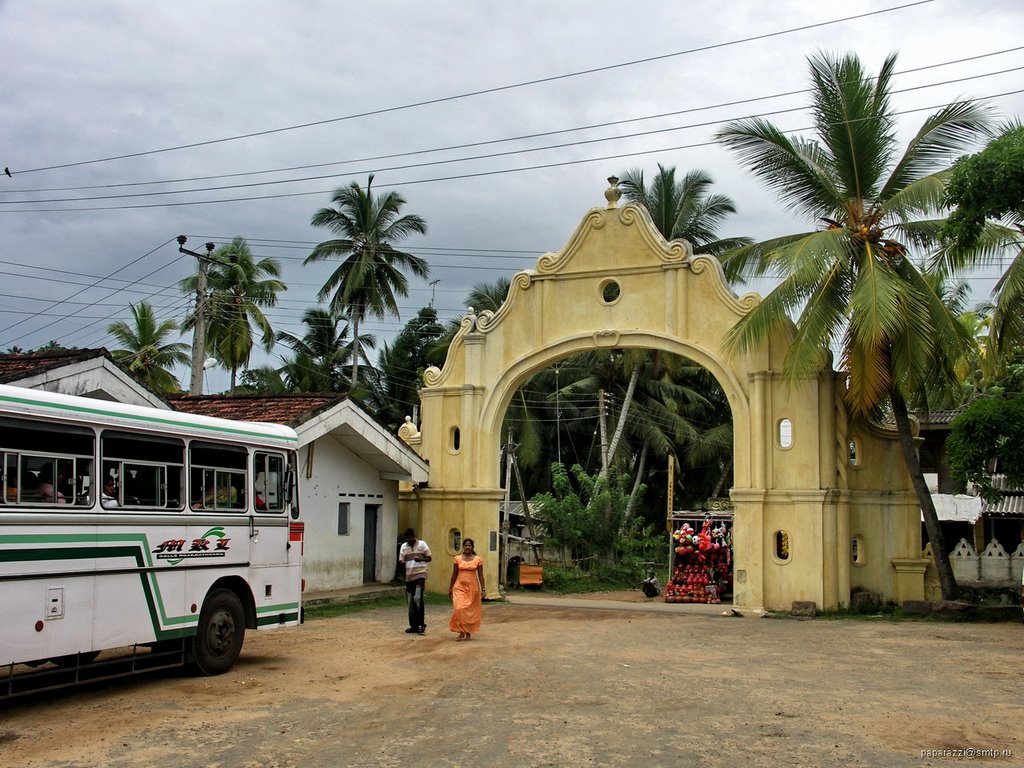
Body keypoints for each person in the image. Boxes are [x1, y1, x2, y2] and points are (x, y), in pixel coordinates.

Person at [448, 537, 485, 641]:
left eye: (469, 545)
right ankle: (461, 631)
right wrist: (450, 588)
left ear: (472, 547)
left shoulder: (478, 559)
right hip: (459, 586)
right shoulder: (457, 558)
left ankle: (468, 632)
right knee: (459, 608)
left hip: (473, 588)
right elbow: (454, 574)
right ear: (463, 547)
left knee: (470, 611)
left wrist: (483, 588)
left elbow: (481, 575)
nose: (467, 547)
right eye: (465, 545)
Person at [399, 528, 432, 634]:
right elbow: (401, 559)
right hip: (409, 577)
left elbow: (429, 558)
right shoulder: (404, 546)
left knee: (417, 598)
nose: (408, 540)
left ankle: (421, 624)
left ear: (414, 536)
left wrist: (421, 559)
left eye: (410, 538)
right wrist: (402, 562)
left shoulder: (422, 544)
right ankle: (413, 625)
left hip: (420, 576)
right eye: (406, 538)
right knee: (410, 602)